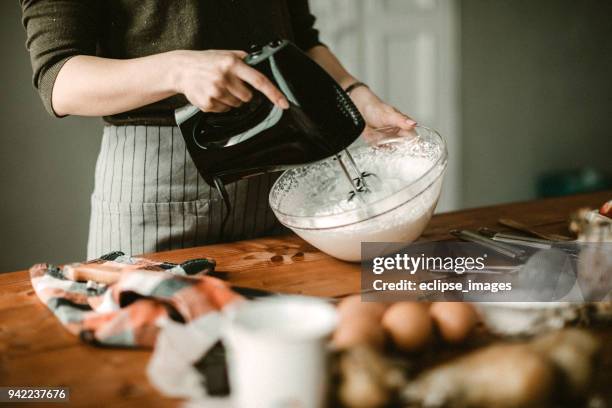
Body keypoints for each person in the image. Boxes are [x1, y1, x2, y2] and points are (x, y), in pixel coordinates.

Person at [21, 0, 416, 259]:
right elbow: (58, 79)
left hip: (284, 172)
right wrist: (178, 69)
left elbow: (303, 39)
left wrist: (353, 93)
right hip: (156, 183)